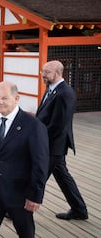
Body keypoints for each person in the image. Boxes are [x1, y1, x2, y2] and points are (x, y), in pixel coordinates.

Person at [0, 81, 49, 238]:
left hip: (19, 192)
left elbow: (40, 163)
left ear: (17, 98)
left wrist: (35, 195)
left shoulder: (33, 125)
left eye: (4, 98)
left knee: (25, 233)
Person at [36, 60, 88, 220]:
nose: (42, 75)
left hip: (54, 144)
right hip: (50, 143)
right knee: (62, 176)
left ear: (57, 73)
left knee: (38, 176)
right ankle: (79, 209)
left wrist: (40, 142)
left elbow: (58, 125)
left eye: (46, 72)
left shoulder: (66, 93)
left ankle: (18, 208)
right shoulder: (51, 88)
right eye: (42, 71)